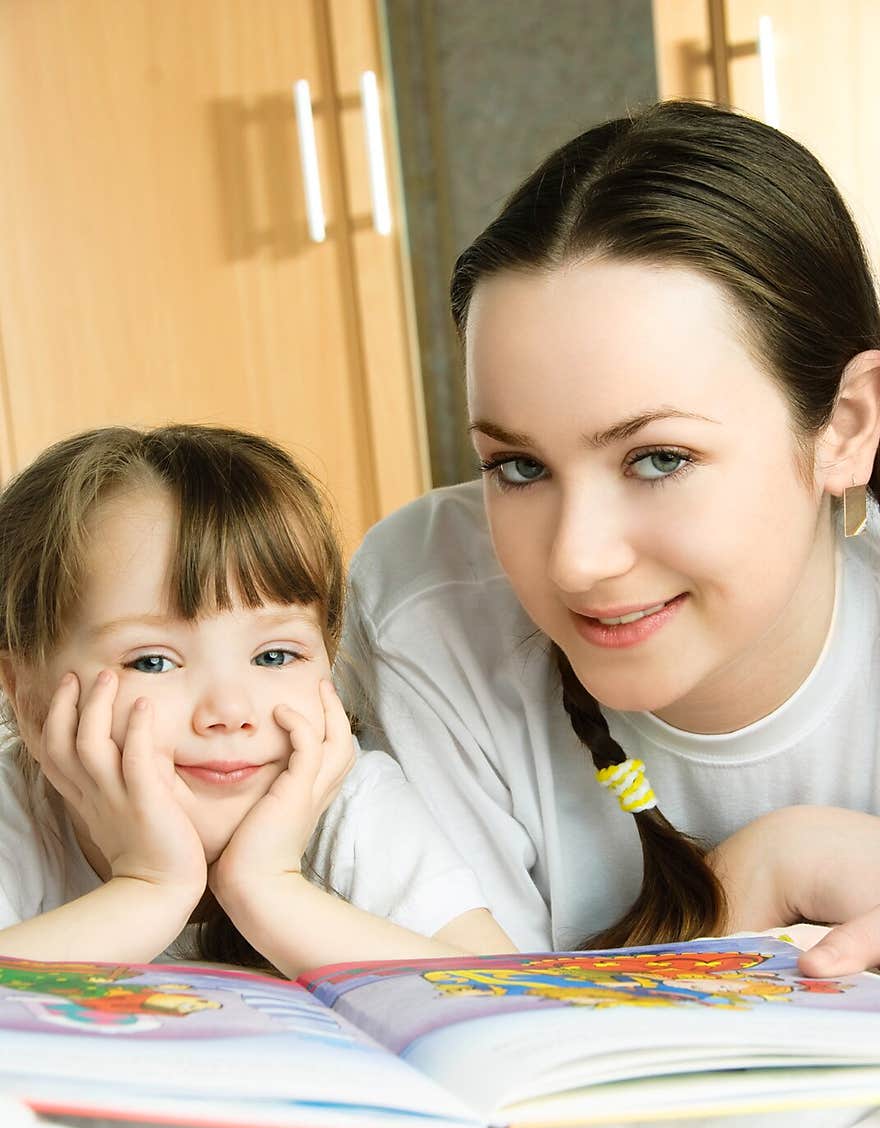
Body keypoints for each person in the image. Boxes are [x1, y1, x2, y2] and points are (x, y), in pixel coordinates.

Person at [342, 98, 880, 977]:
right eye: (517, 467)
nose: (576, 561)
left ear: (847, 427)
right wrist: (760, 876)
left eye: (658, 457)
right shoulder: (430, 601)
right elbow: (500, 1063)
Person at [0, 424, 514, 976]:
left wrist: (268, 889)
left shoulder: (350, 805)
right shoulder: (19, 815)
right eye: (152, 661)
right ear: (23, 688)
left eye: (274, 656)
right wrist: (149, 886)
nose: (230, 712)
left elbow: (517, 995)